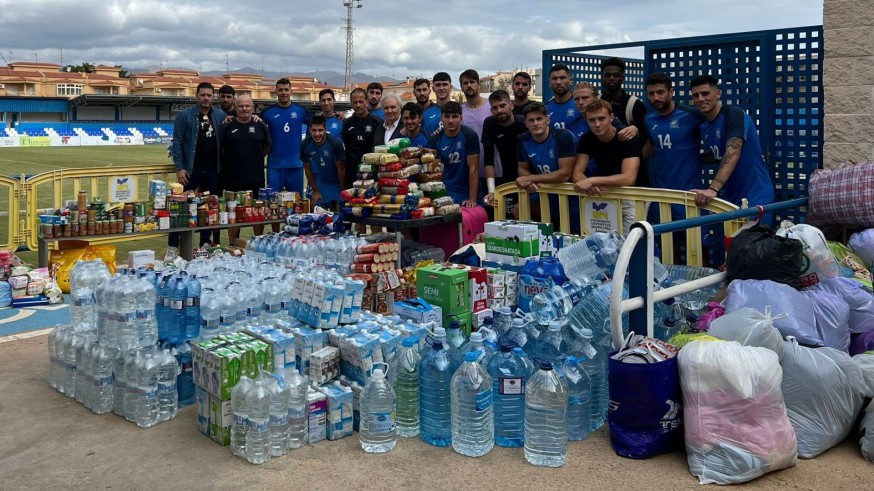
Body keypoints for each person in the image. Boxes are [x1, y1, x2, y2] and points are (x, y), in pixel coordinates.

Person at [689, 75, 775, 211]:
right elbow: (716, 154)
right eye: (696, 95)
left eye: (705, 93)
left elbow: (733, 152)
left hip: (755, 196)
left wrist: (712, 189)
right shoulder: (705, 126)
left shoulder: (733, 114)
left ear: (717, 94)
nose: (700, 99)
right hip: (730, 198)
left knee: (750, 233)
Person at [168, 82, 226, 257]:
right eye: (203, 95)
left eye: (209, 95)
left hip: (212, 170)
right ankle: (173, 246)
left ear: (213, 97)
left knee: (208, 210)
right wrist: (180, 167)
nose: (206, 98)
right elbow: (177, 142)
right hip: (191, 170)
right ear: (196, 96)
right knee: (181, 208)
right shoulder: (185, 116)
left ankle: (204, 245)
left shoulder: (220, 115)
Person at [571, 99, 641, 234]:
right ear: (586, 120)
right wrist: (585, 183)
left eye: (602, 118)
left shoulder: (626, 137)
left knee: (632, 242)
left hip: (632, 196)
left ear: (611, 117)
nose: (597, 124)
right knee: (605, 243)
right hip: (605, 194)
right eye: (592, 120)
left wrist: (591, 181)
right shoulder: (587, 138)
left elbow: (629, 178)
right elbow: (577, 173)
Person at [516, 102, 577, 228]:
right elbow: (522, 169)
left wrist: (531, 179)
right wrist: (530, 182)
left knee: (572, 230)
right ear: (526, 124)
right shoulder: (522, 139)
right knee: (518, 210)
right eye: (531, 120)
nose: (536, 123)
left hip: (570, 192)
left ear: (548, 120)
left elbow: (564, 174)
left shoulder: (562, 136)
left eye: (539, 119)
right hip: (546, 190)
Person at [220, 95, 271, 244]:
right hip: (233, 178)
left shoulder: (260, 125)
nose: (244, 109)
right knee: (233, 212)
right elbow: (222, 149)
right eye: (241, 106)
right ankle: (232, 243)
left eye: (247, 106)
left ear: (253, 108)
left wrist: (253, 157)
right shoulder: (227, 126)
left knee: (257, 211)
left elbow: (267, 147)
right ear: (235, 108)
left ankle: (258, 242)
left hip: (256, 177)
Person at [643, 72, 705, 193]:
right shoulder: (648, 120)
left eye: (660, 92)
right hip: (659, 192)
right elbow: (650, 146)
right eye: (651, 94)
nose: (656, 98)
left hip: (688, 192)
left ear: (671, 92)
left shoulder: (692, 115)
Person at [600, 56, 649, 186]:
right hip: (602, 170)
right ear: (602, 77)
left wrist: (636, 163)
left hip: (629, 174)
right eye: (607, 75)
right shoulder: (596, 103)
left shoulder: (635, 105)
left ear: (622, 78)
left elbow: (646, 142)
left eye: (616, 75)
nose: (611, 78)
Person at [260, 78, 311, 196]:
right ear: (276, 92)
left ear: (291, 92)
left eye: (286, 89)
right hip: (275, 166)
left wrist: (307, 146)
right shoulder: (267, 112)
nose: (283, 92)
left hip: (296, 165)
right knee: (272, 203)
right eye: (280, 90)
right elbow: (256, 126)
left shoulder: (301, 111)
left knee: (297, 204)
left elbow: (314, 125)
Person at [426, 101, 481, 207]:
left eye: (455, 117)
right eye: (447, 117)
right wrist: (438, 196)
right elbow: (436, 172)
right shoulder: (435, 139)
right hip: (447, 192)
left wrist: (472, 198)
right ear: (441, 119)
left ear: (461, 118)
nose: (451, 121)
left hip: (468, 193)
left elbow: (473, 168)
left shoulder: (470, 135)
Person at [481, 89, 526, 213]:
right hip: (506, 180)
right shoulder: (490, 124)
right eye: (495, 108)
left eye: (502, 106)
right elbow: (488, 160)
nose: (499, 110)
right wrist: (491, 191)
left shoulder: (525, 123)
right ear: (491, 111)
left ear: (511, 105)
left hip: (528, 178)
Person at [459, 69, 497, 204]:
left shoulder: (491, 106)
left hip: (494, 169)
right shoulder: (460, 111)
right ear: (461, 86)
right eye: (465, 83)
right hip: (471, 172)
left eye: (472, 82)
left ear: (478, 84)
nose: (469, 85)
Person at [301, 115, 345, 211]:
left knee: (339, 212)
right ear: (309, 130)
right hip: (323, 181)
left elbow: (341, 170)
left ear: (325, 129)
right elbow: (307, 169)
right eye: (314, 130)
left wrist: (343, 192)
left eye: (320, 130)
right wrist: (316, 191)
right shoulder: (305, 144)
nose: (317, 134)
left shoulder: (335, 143)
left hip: (337, 182)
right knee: (315, 207)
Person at [342, 87, 382, 189]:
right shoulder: (346, 123)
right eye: (355, 102)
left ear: (367, 101)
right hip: (352, 173)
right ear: (351, 103)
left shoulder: (377, 122)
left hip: (371, 172)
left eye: (361, 101)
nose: (358, 105)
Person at [546, 63, 576, 131]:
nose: (558, 82)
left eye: (562, 78)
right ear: (549, 82)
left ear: (570, 80)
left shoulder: (580, 105)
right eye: (554, 78)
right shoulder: (545, 108)